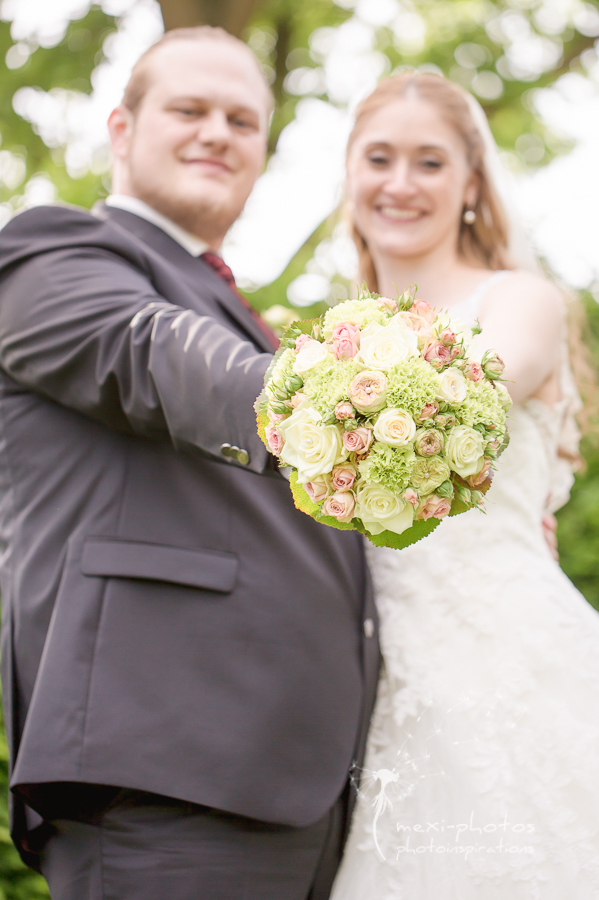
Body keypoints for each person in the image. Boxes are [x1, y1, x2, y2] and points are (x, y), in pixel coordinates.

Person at [0, 27, 380, 900]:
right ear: (122, 129)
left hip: (299, 797)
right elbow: (150, 352)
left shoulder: (237, 306)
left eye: (243, 120)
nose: (218, 132)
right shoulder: (52, 250)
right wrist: (363, 406)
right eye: (190, 109)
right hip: (165, 775)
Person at [330, 72, 599, 898]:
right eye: (380, 158)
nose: (401, 184)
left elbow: (479, 389)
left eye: (430, 162)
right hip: (372, 689)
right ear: (350, 174)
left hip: (506, 665)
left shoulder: (521, 302)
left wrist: (311, 394)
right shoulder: (331, 335)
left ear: (472, 184)